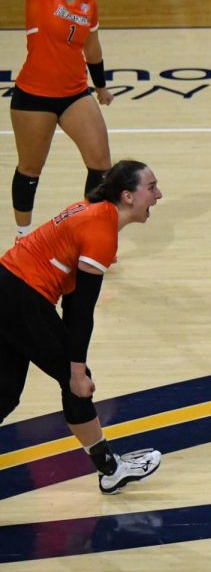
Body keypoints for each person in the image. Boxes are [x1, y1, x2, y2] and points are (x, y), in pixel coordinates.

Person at [0, 160, 163, 494]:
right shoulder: (101, 231)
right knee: (74, 381)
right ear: (128, 196)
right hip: (20, 296)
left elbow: (73, 303)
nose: (158, 194)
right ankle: (110, 469)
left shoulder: (95, 215)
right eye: (151, 187)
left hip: (9, 289)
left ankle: (109, 467)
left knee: (5, 392)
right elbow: (82, 311)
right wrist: (76, 370)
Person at [13, 0, 113, 241]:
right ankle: (24, 236)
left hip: (74, 94)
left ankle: (91, 233)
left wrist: (100, 86)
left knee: (101, 165)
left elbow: (93, 48)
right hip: (33, 96)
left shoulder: (88, 4)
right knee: (30, 170)